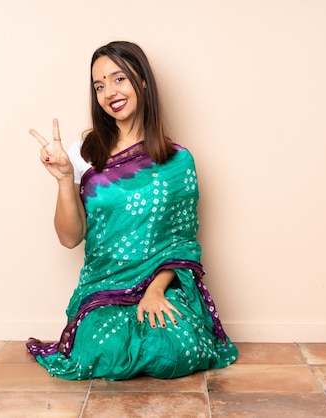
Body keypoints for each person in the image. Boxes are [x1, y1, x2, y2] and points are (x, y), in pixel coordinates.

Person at [26, 41, 238, 380]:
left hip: (161, 284)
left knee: (176, 350)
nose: (109, 91)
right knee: (101, 353)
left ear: (141, 81)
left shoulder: (177, 160)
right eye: (99, 85)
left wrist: (155, 291)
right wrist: (66, 179)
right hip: (103, 286)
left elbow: (181, 243)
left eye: (118, 79)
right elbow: (70, 238)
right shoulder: (84, 152)